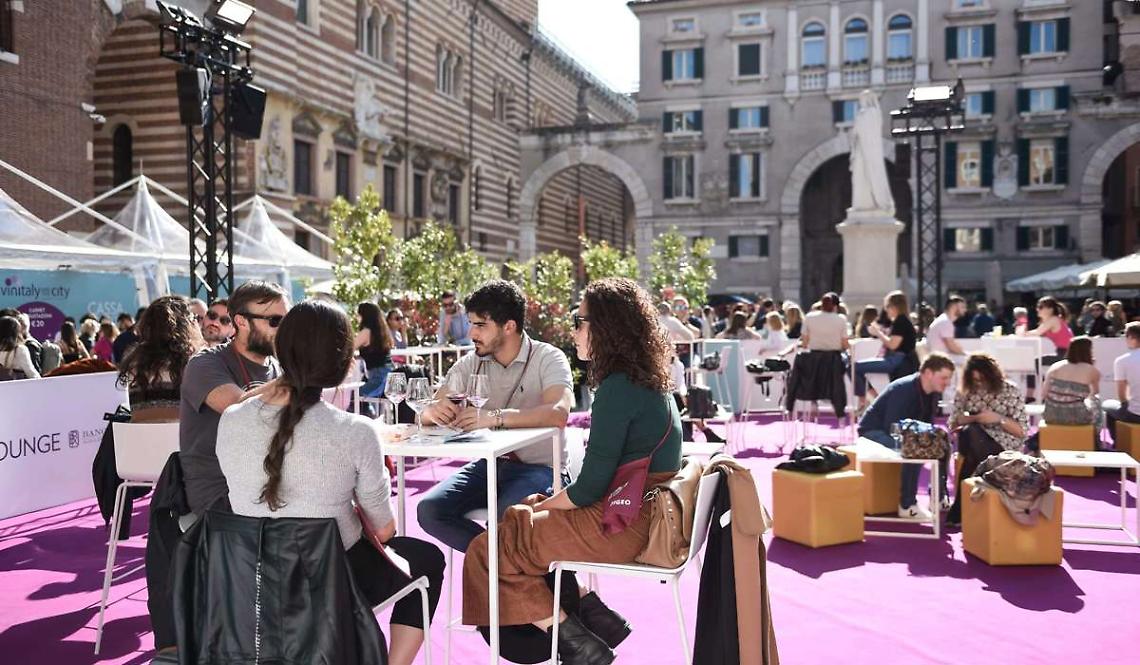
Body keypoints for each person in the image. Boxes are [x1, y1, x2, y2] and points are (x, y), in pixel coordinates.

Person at [462, 277, 682, 665]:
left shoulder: (618, 388)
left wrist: (547, 505)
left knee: (488, 548)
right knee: (520, 515)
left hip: (623, 522)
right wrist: (542, 506)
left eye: (579, 321)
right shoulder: (649, 380)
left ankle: (578, 643)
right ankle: (593, 618)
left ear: (606, 329)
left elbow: (587, 489)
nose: (573, 330)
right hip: (642, 513)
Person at [217, 301, 443, 665]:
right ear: (341, 363)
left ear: (281, 349)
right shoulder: (355, 432)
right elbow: (385, 531)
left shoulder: (230, 419)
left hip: (251, 580)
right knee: (428, 559)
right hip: (330, 582)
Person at [417, 280, 574, 553]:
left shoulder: (549, 357)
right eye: (471, 323)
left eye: (480, 325)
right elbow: (432, 408)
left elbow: (558, 413)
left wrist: (495, 417)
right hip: (489, 466)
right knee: (429, 510)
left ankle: (496, 573)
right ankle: (499, 566)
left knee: (505, 518)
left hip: (542, 469)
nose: (471, 333)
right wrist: (432, 412)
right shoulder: (472, 361)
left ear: (509, 326)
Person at [179, 280, 288, 515]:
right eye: (275, 321)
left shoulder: (279, 368)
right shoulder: (205, 363)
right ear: (241, 322)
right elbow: (239, 408)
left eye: (286, 322)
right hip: (221, 492)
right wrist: (302, 375)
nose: (283, 329)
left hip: (269, 482)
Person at [857, 353, 955, 520]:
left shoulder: (933, 391)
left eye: (948, 378)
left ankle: (938, 497)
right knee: (914, 449)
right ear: (929, 373)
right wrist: (921, 440)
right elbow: (892, 426)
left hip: (902, 432)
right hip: (873, 432)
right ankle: (907, 504)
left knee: (942, 444)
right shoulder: (904, 389)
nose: (948, 383)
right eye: (944, 377)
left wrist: (933, 439)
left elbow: (927, 424)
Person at [945, 352, 1028, 525]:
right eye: (975, 381)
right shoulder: (966, 391)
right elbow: (952, 423)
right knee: (971, 431)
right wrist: (975, 418)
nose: (979, 384)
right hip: (973, 440)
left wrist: (998, 419)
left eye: (983, 380)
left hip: (1004, 443)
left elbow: (1022, 432)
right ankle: (968, 508)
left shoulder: (1010, 390)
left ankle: (959, 509)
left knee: (971, 454)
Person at [117, 296, 203, 423]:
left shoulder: (134, 363)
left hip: (139, 439)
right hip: (182, 439)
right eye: (194, 318)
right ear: (185, 326)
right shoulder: (195, 362)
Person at [1028, 336, 1101, 451]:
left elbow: (1044, 393)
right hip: (1078, 417)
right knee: (1097, 402)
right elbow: (1094, 393)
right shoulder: (1092, 370)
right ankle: (1096, 444)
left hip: (1051, 415)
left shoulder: (1055, 367)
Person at [854, 290, 918, 409]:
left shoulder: (901, 321)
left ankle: (874, 398)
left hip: (897, 359)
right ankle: (873, 398)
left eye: (887, 306)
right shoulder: (902, 320)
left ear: (895, 307)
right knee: (854, 367)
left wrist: (877, 332)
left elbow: (893, 345)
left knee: (854, 367)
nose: (886, 310)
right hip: (898, 359)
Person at [1107, 322, 1140, 443]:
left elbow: (1121, 394)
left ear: (1131, 337)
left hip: (1136, 414)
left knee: (1107, 405)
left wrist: (1126, 403)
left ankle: (1119, 445)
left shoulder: (1122, 361)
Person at [355, 302, 393, 404]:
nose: (356, 317)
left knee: (351, 397)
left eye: (358, 314)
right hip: (387, 375)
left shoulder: (366, 332)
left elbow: (348, 348)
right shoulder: (381, 331)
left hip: (378, 377)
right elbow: (375, 353)